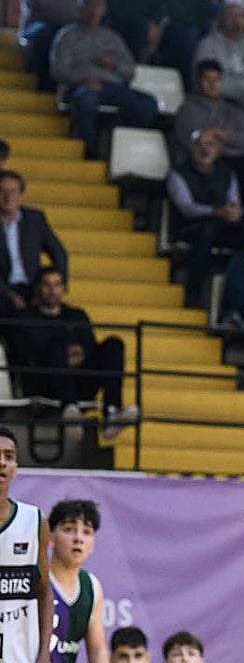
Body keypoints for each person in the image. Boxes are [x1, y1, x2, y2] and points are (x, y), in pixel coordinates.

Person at [10, 267, 139, 441]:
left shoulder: (77, 315)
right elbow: (25, 355)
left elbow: (91, 349)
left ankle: (112, 413)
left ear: (64, 288)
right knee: (55, 348)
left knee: (114, 344)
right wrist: (62, 355)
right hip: (44, 383)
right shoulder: (25, 318)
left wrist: (80, 355)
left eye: (57, 285)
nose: (52, 290)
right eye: (47, 285)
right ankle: (70, 411)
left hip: (79, 382)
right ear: (37, 288)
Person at [49, 0, 159, 159]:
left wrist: (115, 65)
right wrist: (83, 80)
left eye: (98, 6)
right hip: (81, 86)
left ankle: (118, 143)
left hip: (112, 87)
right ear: (80, 8)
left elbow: (130, 71)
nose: (94, 11)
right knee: (87, 99)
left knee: (148, 104)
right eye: (89, 6)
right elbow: (58, 70)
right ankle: (90, 154)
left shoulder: (113, 38)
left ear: (104, 10)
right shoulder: (67, 36)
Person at [166, 131, 243, 308]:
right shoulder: (178, 174)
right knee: (206, 232)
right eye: (200, 145)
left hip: (221, 225)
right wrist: (216, 211)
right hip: (189, 227)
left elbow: (234, 201)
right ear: (191, 148)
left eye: (210, 145)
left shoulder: (227, 173)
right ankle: (193, 293)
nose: (205, 149)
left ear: (218, 150)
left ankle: (236, 299)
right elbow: (187, 208)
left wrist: (234, 212)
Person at [0, 425, 55, 663]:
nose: (2, 462)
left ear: (15, 468)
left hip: (20, 656)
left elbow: (44, 593)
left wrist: (44, 652)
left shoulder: (34, 521)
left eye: (9, 457)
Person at [47, 499, 107, 663]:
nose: (78, 538)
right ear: (50, 537)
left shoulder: (92, 586)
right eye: (69, 530)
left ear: (93, 544)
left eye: (86, 532)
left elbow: (97, 650)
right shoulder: (35, 579)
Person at [1, 170, 68, 315]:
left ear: (21, 195)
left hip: (33, 287)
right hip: (3, 289)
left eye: (13, 192)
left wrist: (56, 286)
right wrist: (9, 295)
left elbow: (59, 253)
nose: (8, 197)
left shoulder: (35, 218)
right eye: (2, 192)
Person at [172, 60, 244, 162]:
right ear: (198, 81)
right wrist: (229, 144)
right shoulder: (187, 107)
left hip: (230, 163)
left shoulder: (233, 109)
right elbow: (190, 137)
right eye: (207, 79)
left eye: (217, 79)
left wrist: (221, 134)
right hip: (196, 164)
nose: (212, 84)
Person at [193, 1, 244, 107]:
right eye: (231, 16)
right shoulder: (207, 46)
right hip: (221, 102)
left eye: (240, 16)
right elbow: (208, 82)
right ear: (221, 19)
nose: (236, 21)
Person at [161, 0, 218, 78]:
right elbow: (177, 15)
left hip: (201, 33)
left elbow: (216, 16)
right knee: (189, 34)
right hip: (175, 31)